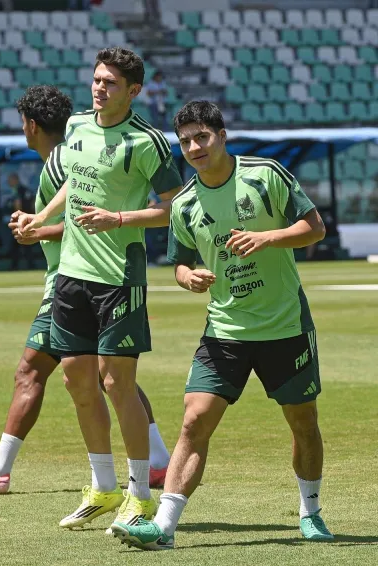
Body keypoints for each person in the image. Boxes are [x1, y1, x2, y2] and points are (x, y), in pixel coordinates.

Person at [111, 101, 333, 550]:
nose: (194, 147)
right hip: (224, 332)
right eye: (186, 140)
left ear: (221, 135)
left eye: (202, 137)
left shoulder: (266, 175)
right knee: (194, 422)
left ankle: (310, 512)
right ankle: (164, 528)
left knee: (303, 423)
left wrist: (269, 237)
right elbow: (179, 264)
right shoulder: (185, 203)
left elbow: (314, 228)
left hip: (284, 326)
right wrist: (187, 277)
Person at [0, 85, 172, 496]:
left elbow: (85, 219)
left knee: (33, 371)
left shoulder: (60, 162)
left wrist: (37, 230)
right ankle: (156, 461)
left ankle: (0, 469)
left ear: (30, 125)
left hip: (75, 281)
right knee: (112, 372)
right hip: (76, 279)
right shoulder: (72, 152)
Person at [18, 47, 184, 531]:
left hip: (119, 278)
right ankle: (103, 487)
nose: (99, 88)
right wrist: (40, 217)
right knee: (78, 383)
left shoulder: (148, 142)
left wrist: (118, 218)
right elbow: (73, 178)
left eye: (110, 83)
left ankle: (140, 496)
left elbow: (174, 207)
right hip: (71, 274)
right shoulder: (75, 128)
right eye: (96, 79)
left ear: (133, 91)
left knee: (118, 384)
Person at [7, 172, 36, 270]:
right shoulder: (26, 190)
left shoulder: (17, 190)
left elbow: (17, 204)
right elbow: (33, 204)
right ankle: (29, 265)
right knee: (25, 243)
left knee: (19, 243)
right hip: (28, 219)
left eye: (10, 180)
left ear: (15, 180)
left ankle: (15, 266)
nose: (9, 182)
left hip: (20, 220)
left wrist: (17, 217)